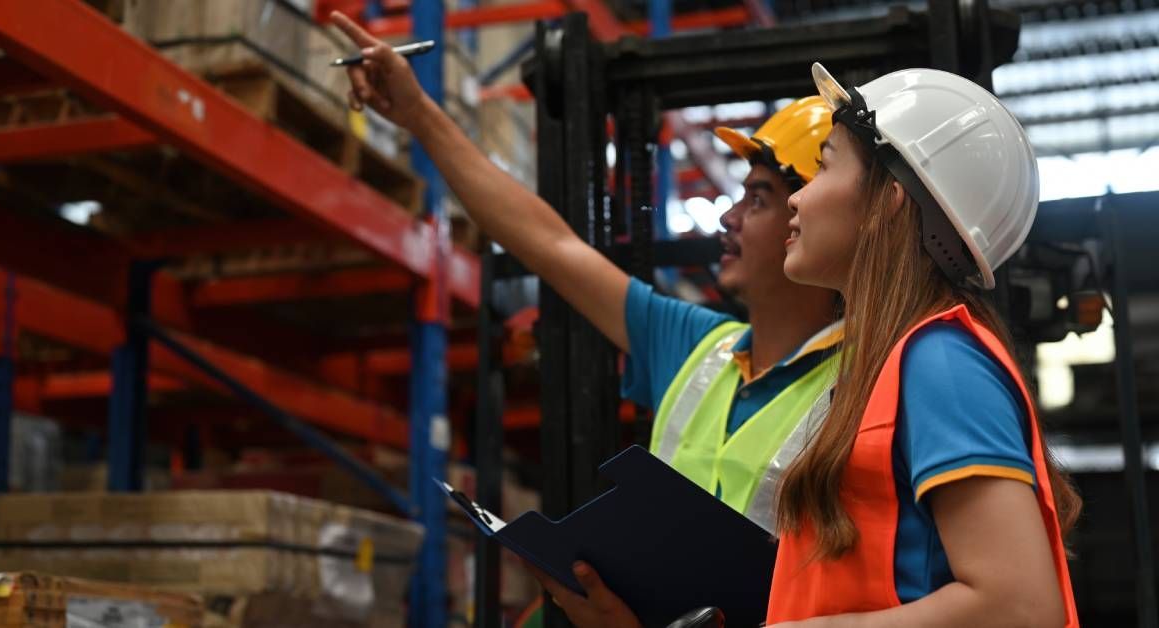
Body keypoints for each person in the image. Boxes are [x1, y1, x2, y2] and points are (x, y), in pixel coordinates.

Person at [327, 11, 841, 626]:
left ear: (815, 218)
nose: (729, 219)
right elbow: (550, 245)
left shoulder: (869, 381)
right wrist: (418, 114)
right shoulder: (695, 346)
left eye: (758, 200)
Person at [760, 64, 1081, 627]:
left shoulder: (942, 363)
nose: (797, 199)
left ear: (890, 199)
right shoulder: (889, 366)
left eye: (822, 166)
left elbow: (1021, 609)